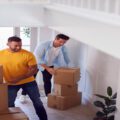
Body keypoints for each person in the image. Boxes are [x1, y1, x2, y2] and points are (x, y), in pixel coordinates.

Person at [0, 36, 48, 120]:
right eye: (16, 46)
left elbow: (34, 69)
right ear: (8, 44)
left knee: (37, 102)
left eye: (20, 45)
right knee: (9, 104)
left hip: (29, 82)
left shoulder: (28, 54)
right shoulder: (1, 54)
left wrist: (18, 78)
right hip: (10, 83)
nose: (18, 47)